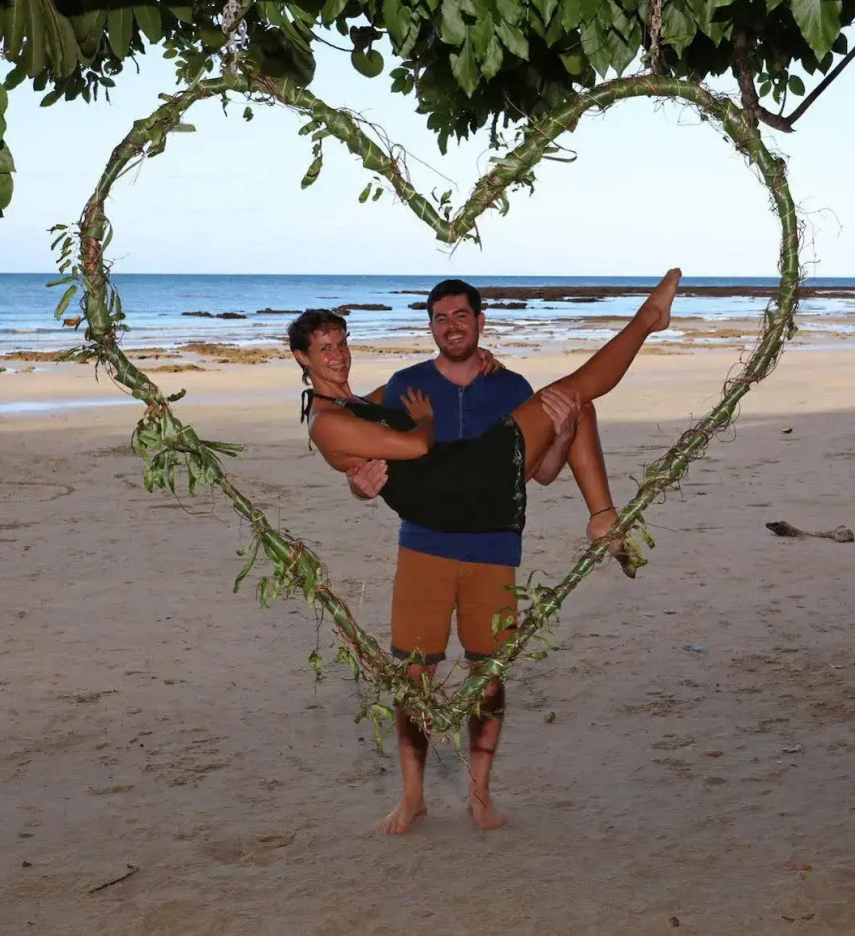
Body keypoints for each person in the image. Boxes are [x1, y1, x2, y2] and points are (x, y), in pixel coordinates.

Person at [287, 271, 680, 834]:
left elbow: (539, 470)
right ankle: (647, 322)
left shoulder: (373, 397)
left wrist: (536, 416)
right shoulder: (338, 416)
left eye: (342, 343)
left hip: (486, 517)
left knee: (576, 403)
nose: (338, 355)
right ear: (301, 358)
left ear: (478, 322)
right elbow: (408, 445)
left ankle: (602, 515)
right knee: (414, 676)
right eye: (324, 348)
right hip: (450, 504)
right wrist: (381, 461)